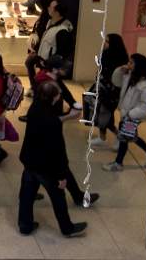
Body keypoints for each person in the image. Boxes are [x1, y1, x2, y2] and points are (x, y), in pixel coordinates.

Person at [17, 81, 88, 238]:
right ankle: (67, 228)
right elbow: (58, 151)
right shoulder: (51, 122)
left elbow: (50, 119)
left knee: (27, 195)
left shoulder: (35, 108)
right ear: (53, 98)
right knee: (58, 198)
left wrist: (67, 116)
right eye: (57, 94)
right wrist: (62, 176)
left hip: (30, 160)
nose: (59, 96)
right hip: (46, 167)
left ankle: (25, 225)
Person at [104, 53, 146, 171]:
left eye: (131, 63)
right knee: (131, 136)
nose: (128, 64)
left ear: (138, 66)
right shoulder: (130, 76)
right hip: (127, 114)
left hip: (132, 116)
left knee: (124, 138)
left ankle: (118, 163)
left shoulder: (144, 85)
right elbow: (116, 81)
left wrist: (131, 115)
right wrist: (120, 71)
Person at [89, 32, 129, 147]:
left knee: (106, 114)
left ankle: (117, 137)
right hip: (101, 88)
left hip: (112, 92)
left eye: (107, 41)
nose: (104, 43)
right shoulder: (105, 54)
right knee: (103, 114)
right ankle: (105, 136)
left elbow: (118, 78)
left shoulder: (121, 59)